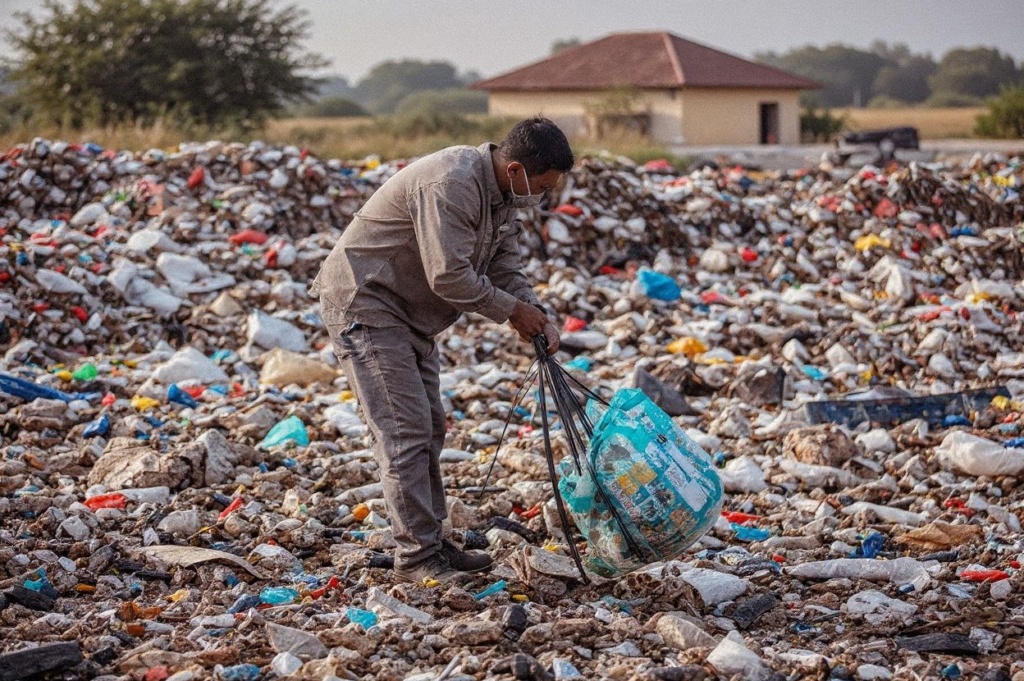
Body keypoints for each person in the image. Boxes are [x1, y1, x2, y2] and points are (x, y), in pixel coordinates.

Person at [311, 117, 574, 583]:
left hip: (410, 314)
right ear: (516, 170)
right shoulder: (451, 183)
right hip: (368, 304)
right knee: (405, 431)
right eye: (543, 187)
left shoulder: (501, 195)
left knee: (430, 427)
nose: (544, 198)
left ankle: (431, 542)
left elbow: (503, 262)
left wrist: (533, 311)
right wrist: (512, 311)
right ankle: (416, 559)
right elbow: (448, 275)